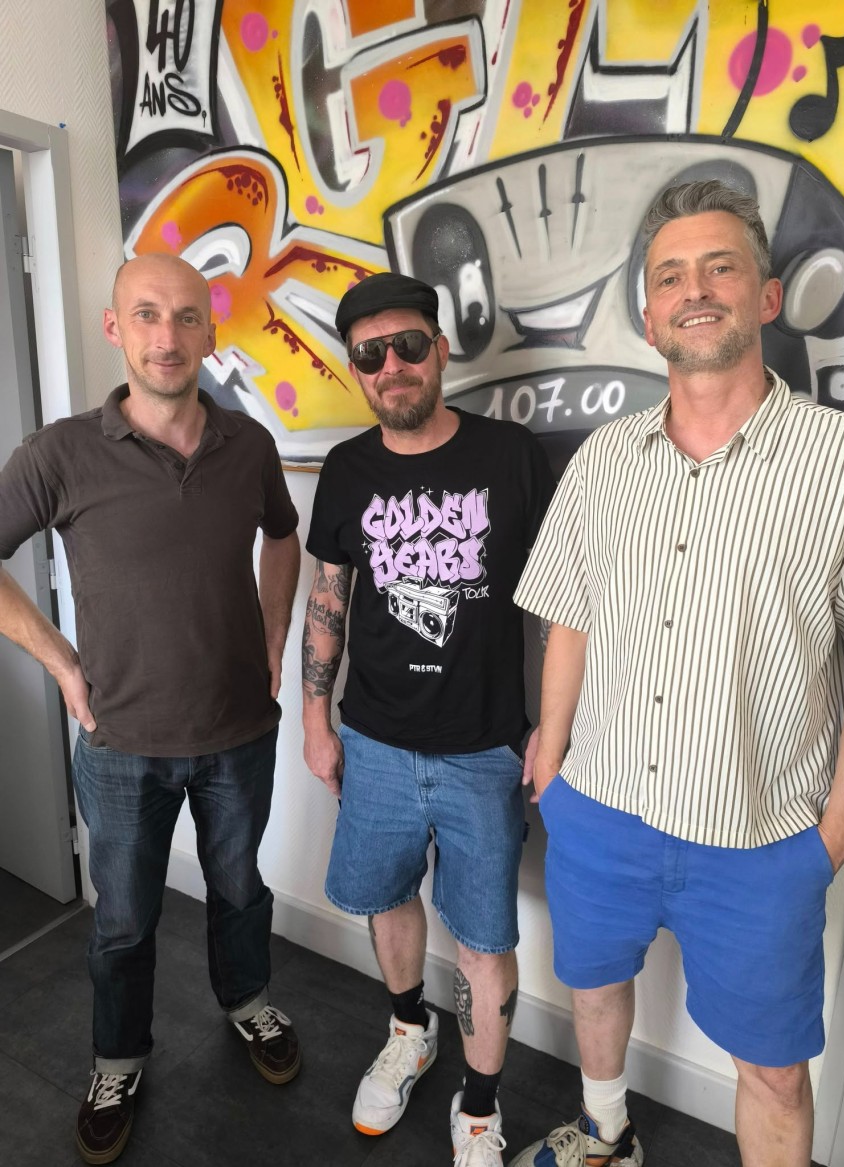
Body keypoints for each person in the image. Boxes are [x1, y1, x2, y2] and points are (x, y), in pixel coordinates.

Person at [511, 180, 844, 1167]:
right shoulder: (602, 460)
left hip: (759, 838)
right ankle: (605, 1134)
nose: (694, 289)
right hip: (597, 810)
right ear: (648, 317)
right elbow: (568, 613)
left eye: (719, 266)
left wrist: (837, 827)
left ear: (765, 294)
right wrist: (552, 760)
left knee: (774, 1073)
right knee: (593, 990)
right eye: (669, 276)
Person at [0, 254, 302, 1165]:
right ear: (114, 328)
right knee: (124, 921)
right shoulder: (58, 452)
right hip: (121, 743)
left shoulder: (247, 444)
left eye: (185, 317)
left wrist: (274, 637)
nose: (167, 337)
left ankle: (246, 1001)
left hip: (240, 732)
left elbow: (283, 538)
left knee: (240, 891)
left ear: (210, 330)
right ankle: (118, 1058)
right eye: (145, 315)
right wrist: (60, 660)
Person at [301, 272, 554, 1165]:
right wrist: (315, 718)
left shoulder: (511, 456)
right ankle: (409, 1029)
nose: (392, 365)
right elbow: (327, 601)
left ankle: (478, 1107)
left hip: (485, 747)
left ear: (439, 349)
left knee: (484, 939)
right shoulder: (347, 469)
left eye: (408, 344)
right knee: (387, 896)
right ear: (356, 371)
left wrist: (555, 728)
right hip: (372, 739)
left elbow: (563, 604)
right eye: (370, 354)